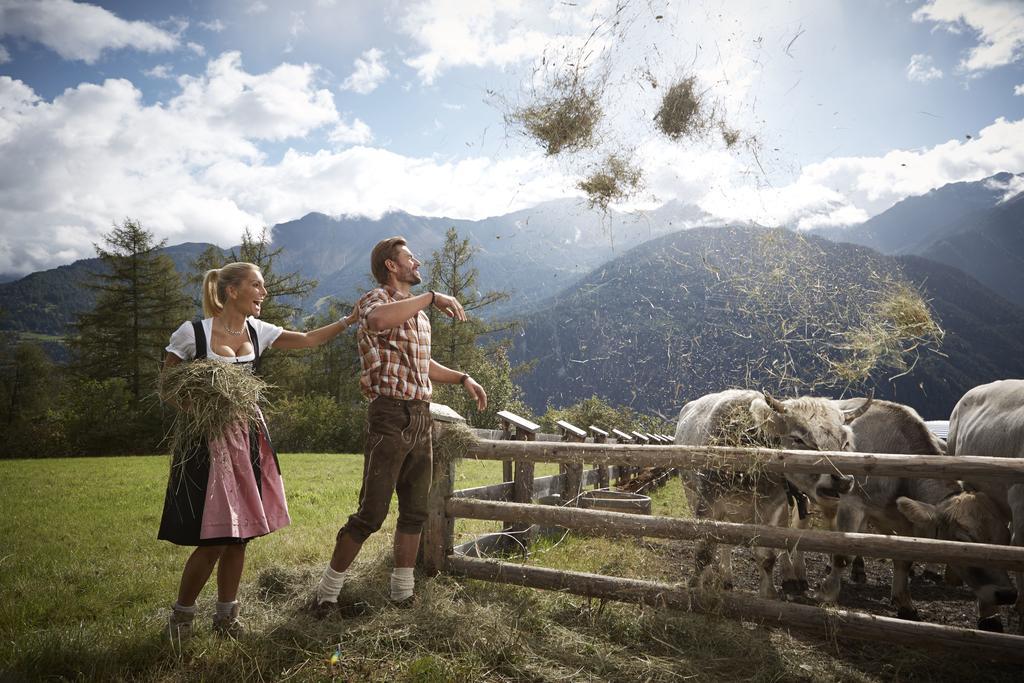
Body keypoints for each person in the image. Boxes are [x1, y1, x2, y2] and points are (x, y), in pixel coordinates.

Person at [160, 261, 357, 641]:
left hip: (248, 439)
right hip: (207, 443)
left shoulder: (258, 330)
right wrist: (200, 411)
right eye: (256, 285)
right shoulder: (193, 333)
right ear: (232, 290)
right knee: (214, 538)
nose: (263, 293)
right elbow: (166, 385)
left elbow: (308, 340)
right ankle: (182, 618)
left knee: (240, 536)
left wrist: (348, 321)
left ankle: (226, 618)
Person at [313, 236, 487, 612]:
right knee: (371, 513)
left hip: (420, 414)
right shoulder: (377, 300)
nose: (418, 262)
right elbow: (375, 321)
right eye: (410, 258)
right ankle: (325, 596)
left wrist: (462, 378)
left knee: (415, 511)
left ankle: (402, 593)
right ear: (391, 266)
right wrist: (430, 297)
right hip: (389, 414)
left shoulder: (418, 316)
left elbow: (423, 365)